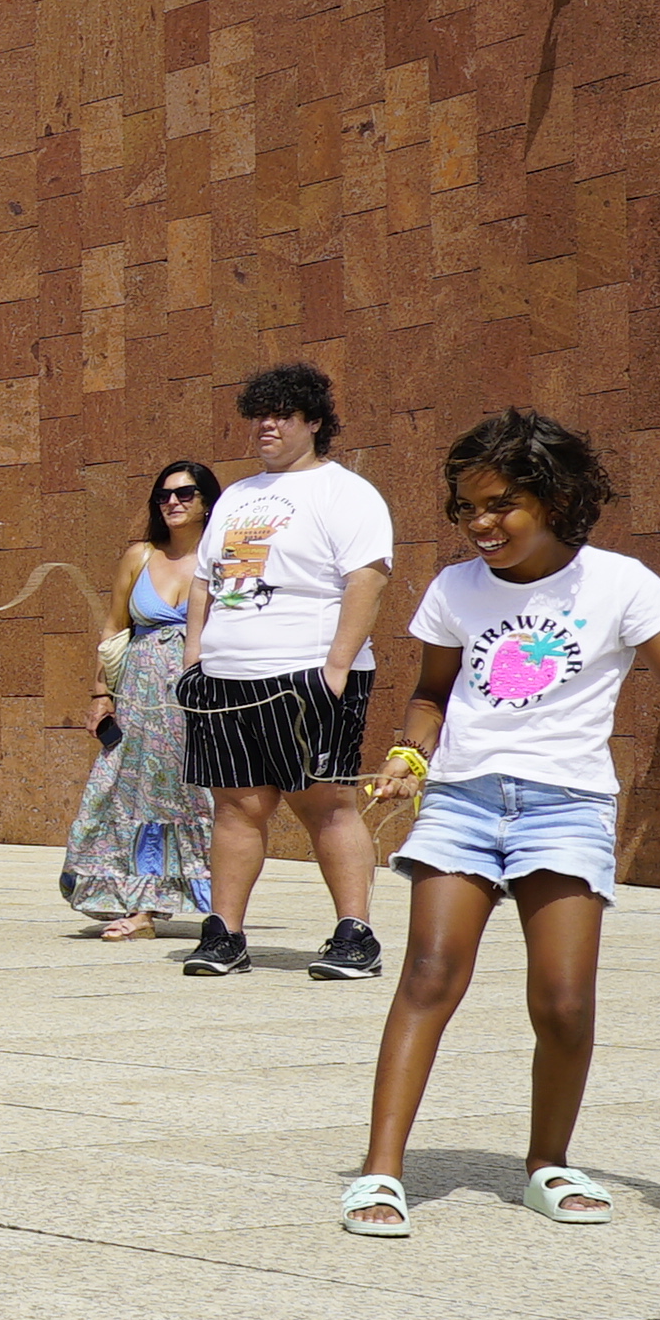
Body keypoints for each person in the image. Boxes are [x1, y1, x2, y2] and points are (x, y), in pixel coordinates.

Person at [346, 411, 660, 1236]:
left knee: (564, 1002)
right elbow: (430, 695)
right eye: (467, 508)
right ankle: (380, 1173)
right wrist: (410, 755)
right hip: (463, 800)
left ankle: (548, 1164)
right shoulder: (455, 588)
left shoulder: (618, 583)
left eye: (501, 504)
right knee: (429, 975)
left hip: (567, 807)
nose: (481, 524)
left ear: (556, 498)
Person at [180, 362, 396, 982]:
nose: (266, 426)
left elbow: (368, 578)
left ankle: (355, 935)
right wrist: (194, 658)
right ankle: (225, 934)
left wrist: (335, 668)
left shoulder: (345, 492)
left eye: (282, 415)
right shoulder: (236, 496)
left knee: (326, 803)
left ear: (315, 422)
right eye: (259, 416)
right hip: (225, 679)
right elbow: (204, 581)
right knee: (236, 806)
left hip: (307, 676)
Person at [61, 460, 220, 939]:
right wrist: (100, 694)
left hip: (201, 696)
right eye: (163, 495)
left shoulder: (222, 558)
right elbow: (115, 629)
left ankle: (215, 906)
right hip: (138, 697)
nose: (172, 502)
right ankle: (142, 905)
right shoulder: (140, 556)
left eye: (185, 494)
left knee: (194, 794)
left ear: (207, 501)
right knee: (129, 793)